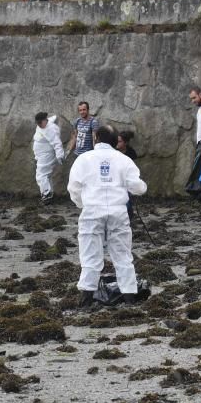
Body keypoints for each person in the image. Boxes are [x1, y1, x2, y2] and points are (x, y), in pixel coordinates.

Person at [67, 125, 148, 306]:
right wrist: (138, 187)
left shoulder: (83, 159)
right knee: (122, 256)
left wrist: (83, 204)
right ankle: (129, 299)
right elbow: (138, 187)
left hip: (92, 211)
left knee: (89, 256)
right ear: (114, 141)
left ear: (95, 138)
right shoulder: (123, 160)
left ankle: (86, 300)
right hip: (118, 212)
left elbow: (73, 188)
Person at [33, 112, 65, 204]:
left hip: (47, 155)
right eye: (37, 123)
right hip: (42, 154)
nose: (39, 125)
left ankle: (46, 195)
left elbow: (57, 143)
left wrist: (60, 155)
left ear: (44, 120)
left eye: (40, 123)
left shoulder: (51, 129)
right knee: (46, 175)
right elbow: (52, 118)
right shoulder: (44, 123)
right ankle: (49, 194)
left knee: (41, 175)